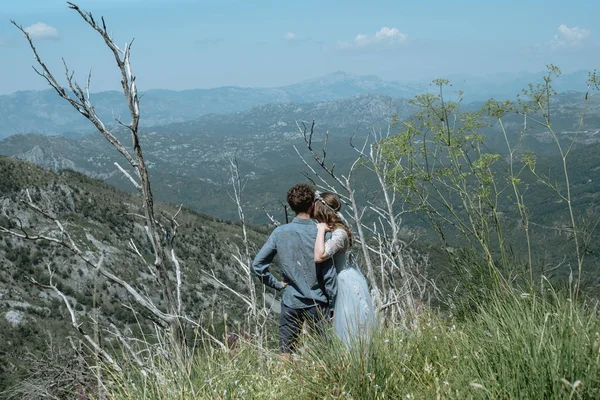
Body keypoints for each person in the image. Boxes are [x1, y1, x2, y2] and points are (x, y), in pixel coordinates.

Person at [253, 183, 337, 359]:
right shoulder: (321, 233)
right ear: (313, 204)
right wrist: (334, 305)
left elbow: (258, 265)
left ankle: (285, 382)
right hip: (318, 303)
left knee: (286, 353)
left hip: (291, 300)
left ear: (291, 206)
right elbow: (328, 276)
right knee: (324, 353)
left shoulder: (279, 233)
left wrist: (276, 284)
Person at [313, 191, 376, 348]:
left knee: (350, 326)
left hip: (344, 283)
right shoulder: (336, 226)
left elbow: (320, 256)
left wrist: (320, 230)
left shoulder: (339, 234)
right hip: (338, 279)